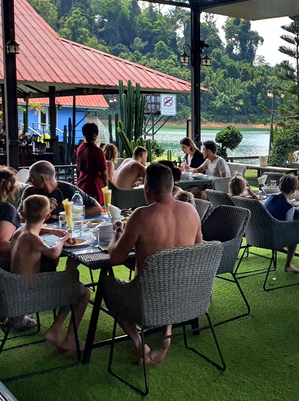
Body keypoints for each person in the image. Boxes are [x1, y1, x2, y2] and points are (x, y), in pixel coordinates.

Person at [108, 163, 203, 365]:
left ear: (146, 188)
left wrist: (117, 234)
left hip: (147, 301)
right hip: (184, 294)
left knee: (110, 293)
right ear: (172, 187)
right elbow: (198, 250)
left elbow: (115, 258)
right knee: (170, 276)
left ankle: (139, 343)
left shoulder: (141, 215)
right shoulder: (192, 211)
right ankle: (166, 334)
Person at [10, 195, 89, 352]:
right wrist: (61, 241)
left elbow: (35, 227)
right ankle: (69, 338)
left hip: (15, 288)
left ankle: (56, 330)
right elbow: (53, 253)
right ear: (47, 216)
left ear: (23, 215)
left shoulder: (20, 231)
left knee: (69, 282)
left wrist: (53, 231)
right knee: (83, 292)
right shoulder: (32, 238)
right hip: (31, 294)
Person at [264, 174, 299, 274]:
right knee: (295, 232)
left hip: (265, 234)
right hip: (277, 238)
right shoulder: (289, 208)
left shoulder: (271, 198)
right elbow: (288, 227)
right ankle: (288, 265)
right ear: (294, 191)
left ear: (279, 186)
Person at [19, 161, 103, 219]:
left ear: (43, 179)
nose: (29, 181)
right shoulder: (29, 192)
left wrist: (68, 213)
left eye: (32, 178)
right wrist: (42, 209)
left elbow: (97, 209)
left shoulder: (68, 189)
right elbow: (19, 216)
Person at [76, 123, 108, 205]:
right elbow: (104, 172)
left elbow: (78, 168)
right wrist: (106, 187)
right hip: (94, 186)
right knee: (96, 211)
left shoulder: (79, 149)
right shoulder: (98, 151)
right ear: (96, 135)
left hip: (81, 184)